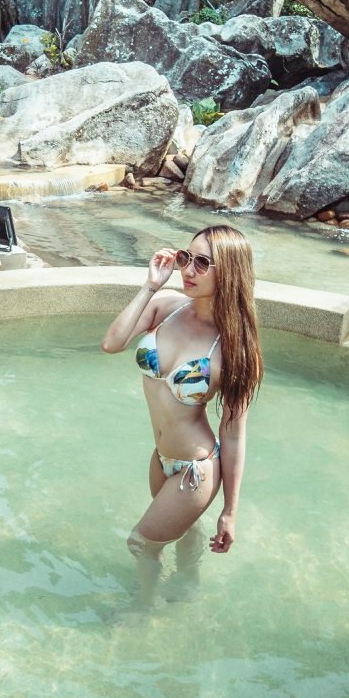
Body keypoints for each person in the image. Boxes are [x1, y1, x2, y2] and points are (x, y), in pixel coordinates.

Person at [100, 226, 263, 608]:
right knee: (174, 534)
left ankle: (142, 611)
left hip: (196, 469)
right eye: (186, 257)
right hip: (161, 459)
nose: (188, 269)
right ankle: (190, 582)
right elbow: (112, 344)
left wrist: (230, 512)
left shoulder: (235, 347)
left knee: (140, 543)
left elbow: (235, 435)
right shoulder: (166, 307)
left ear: (230, 272)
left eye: (203, 263)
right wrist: (150, 286)